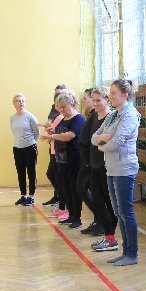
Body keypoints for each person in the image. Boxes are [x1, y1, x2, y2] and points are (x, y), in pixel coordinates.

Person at [92, 79, 141, 266]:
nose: (110, 96)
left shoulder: (130, 115)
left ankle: (132, 253)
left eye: (113, 93)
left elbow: (116, 143)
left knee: (126, 212)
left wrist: (101, 146)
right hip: (112, 168)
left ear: (125, 95)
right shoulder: (113, 115)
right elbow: (93, 137)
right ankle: (125, 251)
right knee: (118, 212)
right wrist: (102, 139)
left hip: (125, 168)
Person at [46, 91, 86, 229]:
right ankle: (71, 215)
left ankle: (77, 217)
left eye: (64, 107)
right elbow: (60, 133)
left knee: (74, 188)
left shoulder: (78, 118)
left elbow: (69, 135)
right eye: (60, 107)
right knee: (65, 188)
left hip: (74, 159)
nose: (61, 110)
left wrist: (53, 136)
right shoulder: (64, 118)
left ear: (72, 103)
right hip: (61, 158)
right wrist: (53, 133)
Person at [88, 86, 120, 252]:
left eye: (98, 100)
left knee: (109, 202)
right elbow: (93, 139)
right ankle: (109, 236)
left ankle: (111, 237)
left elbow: (108, 139)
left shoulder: (111, 117)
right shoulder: (95, 116)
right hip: (94, 163)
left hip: (106, 165)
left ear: (107, 100)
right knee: (98, 201)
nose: (95, 103)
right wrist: (98, 139)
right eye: (93, 100)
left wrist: (99, 139)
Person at [76, 88, 100, 234]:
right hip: (86, 159)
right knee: (83, 189)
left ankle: (101, 220)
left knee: (83, 189)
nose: (83, 101)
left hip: (91, 160)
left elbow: (91, 139)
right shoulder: (92, 115)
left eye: (86, 99)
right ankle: (98, 219)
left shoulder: (96, 115)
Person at [9, 93, 39, 206]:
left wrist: (31, 142)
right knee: (20, 172)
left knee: (31, 171)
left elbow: (36, 132)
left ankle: (31, 196)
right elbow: (14, 131)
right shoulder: (12, 118)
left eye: (22, 101)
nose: (21, 102)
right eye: (18, 101)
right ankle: (23, 195)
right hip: (17, 148)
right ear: (14, 104)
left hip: (30, 147)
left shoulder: (30, 116)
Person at [41, 84, 66, 206]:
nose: (57, 96)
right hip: (53, 145)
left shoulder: (65, 113)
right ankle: (58, 198)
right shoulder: (54, 108)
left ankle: (63, 199)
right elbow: (50, 123)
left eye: (60, 94)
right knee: (54, 174)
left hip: (60, 148)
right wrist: (50, 128)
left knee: (56, 174)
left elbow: (65, 131)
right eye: (56, 94)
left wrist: (52, 131)